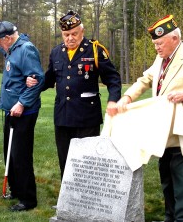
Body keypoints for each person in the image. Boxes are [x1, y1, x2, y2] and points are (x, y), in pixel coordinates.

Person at [28, 10, 121, 180]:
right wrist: (35, 83)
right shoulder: (56, 52)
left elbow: (113, 79)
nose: (70, 38)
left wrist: (113, 100)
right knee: (65, 159)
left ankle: (87, 200)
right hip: (63, 115)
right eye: (66, 35)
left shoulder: (94, 50)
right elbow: (49, 79)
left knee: (87, 160)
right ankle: (68, 199)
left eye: (74, 34)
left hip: (87, 116)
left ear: (82, 32)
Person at [116, 15, 183, 221]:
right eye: (155, 44)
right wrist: (127, 96)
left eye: (159, 43)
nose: (156, 48)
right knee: (166, 181)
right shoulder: (161, 58)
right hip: (163, 134)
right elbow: (145, 79)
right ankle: (170, 217)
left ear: (174, 38)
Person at [0, 21, 45, 211]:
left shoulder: (26, 50)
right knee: (10, 153)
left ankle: (28, 200)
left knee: (21, 155)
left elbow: (37, 80)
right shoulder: (11, 48)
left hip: (24, 111)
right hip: (11, 109)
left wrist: (21, 103)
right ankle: (17, 190)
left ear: (8, 38)